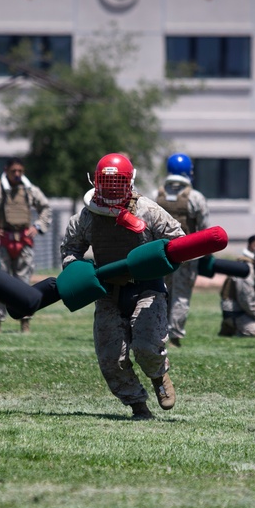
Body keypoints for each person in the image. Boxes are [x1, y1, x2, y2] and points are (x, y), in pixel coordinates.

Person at [61, 153, 185, 420]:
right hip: (108, 292)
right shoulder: (88, 216)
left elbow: (178, 240)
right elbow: (71, 248)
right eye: (108, 183)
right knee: (111, 358)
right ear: (96, 182)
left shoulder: (148, 210)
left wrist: (159, 255)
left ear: (129, 182)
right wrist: (77, 270)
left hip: (147, 288)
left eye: (118, 182)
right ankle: (138, 406)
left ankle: (158, 374)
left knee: (146, 347)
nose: (113, 188)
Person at [0, 157, 53, 333]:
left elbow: (45, 207)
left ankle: (25, 323)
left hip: (24, 241)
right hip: (2, 241)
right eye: (14, 171)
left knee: (24, 284)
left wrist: (38, 226)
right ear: (6, 170)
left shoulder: (29, 191)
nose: (17, 174)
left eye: (20, 171)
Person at [155, 153, 210, 347]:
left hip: (161, 253)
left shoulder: (157, 194)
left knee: (161, 292)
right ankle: (175, 335)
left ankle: (160, 331)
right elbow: (204, 228)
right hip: (186, 254)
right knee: (181, 295)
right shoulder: (195, 197)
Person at [219, 235, 255, 338]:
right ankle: (233, 327)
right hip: (237, 313)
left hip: (247, 311)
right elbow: (246, 301)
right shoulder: (245, 268)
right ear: (252, 246)